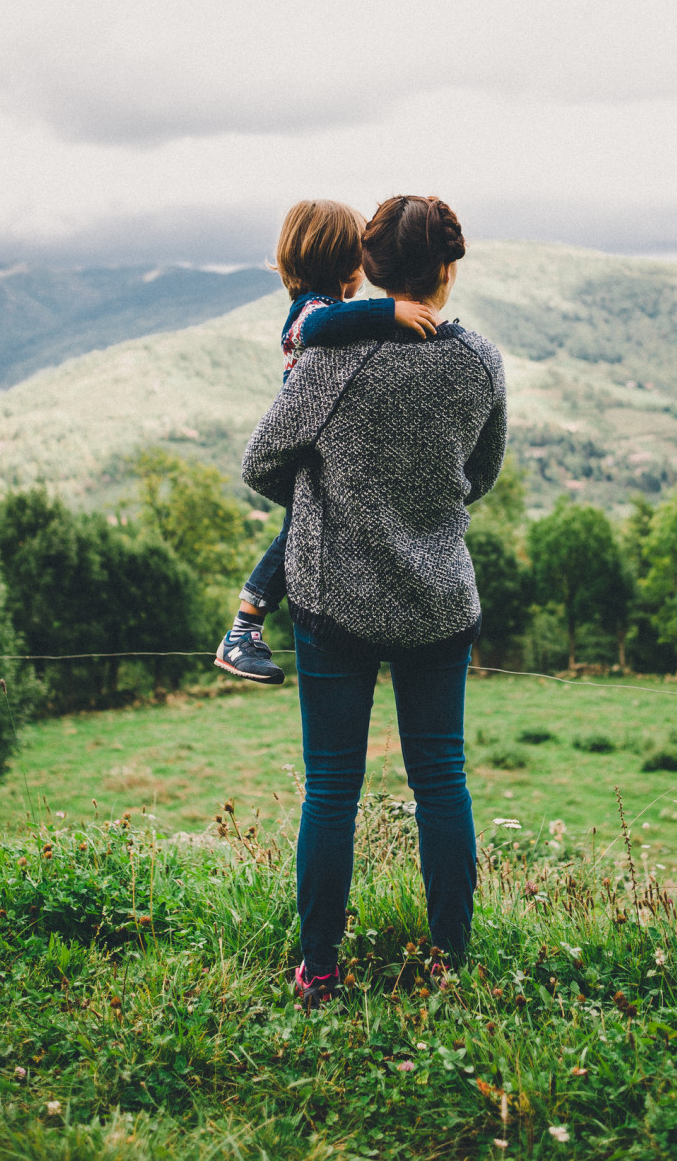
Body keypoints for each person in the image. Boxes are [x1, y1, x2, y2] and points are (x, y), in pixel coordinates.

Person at [241, 194, 506, 1003]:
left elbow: (261, 465)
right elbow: (481, 476)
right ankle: (451, 966)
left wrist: (329, 494)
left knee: (331, 787)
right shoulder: (480, 361)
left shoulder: (332, 358)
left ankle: (319, 970)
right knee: (441, 779)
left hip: (332, 602)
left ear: (369, 267)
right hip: (438, 601)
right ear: (447, 271)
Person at [216, 198, 442, 684]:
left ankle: (245, 629)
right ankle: (242, 631)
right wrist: (390, 311)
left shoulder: (325, 309)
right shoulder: (312, 312)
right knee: (295, 531)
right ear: (349, 267)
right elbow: (324, 326)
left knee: (294, 529)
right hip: (307, 445)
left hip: (316, 445)